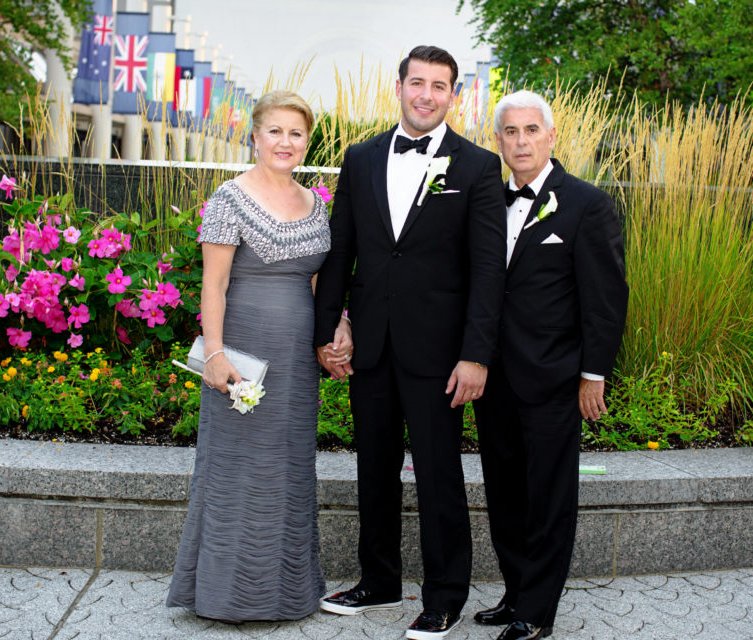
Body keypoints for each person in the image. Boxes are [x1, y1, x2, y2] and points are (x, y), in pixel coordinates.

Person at [314, 45, 506, 639]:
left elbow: (487, 271)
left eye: (439, 86)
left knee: (438, 474)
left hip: (440, 354)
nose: (426, 94)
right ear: (399, 86)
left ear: (453, 95)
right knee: (373, 467)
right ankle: (379, 581)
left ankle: (445, 594)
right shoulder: (361, 156)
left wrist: (476, 354)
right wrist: (327, 331)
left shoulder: (476, 166)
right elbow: (339, 251)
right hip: (370, 345)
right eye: (416, 82)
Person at [166, 90, 349, 622]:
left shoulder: (317, 204)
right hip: (242, 355)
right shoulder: (229, 198)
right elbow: (214, 284)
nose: (285, 142)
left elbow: (319, 284)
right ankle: (225, 595)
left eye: (296, 133)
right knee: (236, 469)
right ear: (255, 136)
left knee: (288, 468)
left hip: (296, 364)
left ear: (307, 141)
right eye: (275, 131)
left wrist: (339, 328)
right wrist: (216, 355)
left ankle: (287, 592)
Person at [471, 90, 628, 640]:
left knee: (548, 499)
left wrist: (594, 373)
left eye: (531, 130)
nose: (521, 141)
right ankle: (516, 594)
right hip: (491, 378)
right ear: (498, 140)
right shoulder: (484, 198)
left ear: (551, 135)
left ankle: (537, 612)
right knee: (505, 493)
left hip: (555, 378)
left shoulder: (587, 203)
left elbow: (606, 299)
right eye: (510, 132)